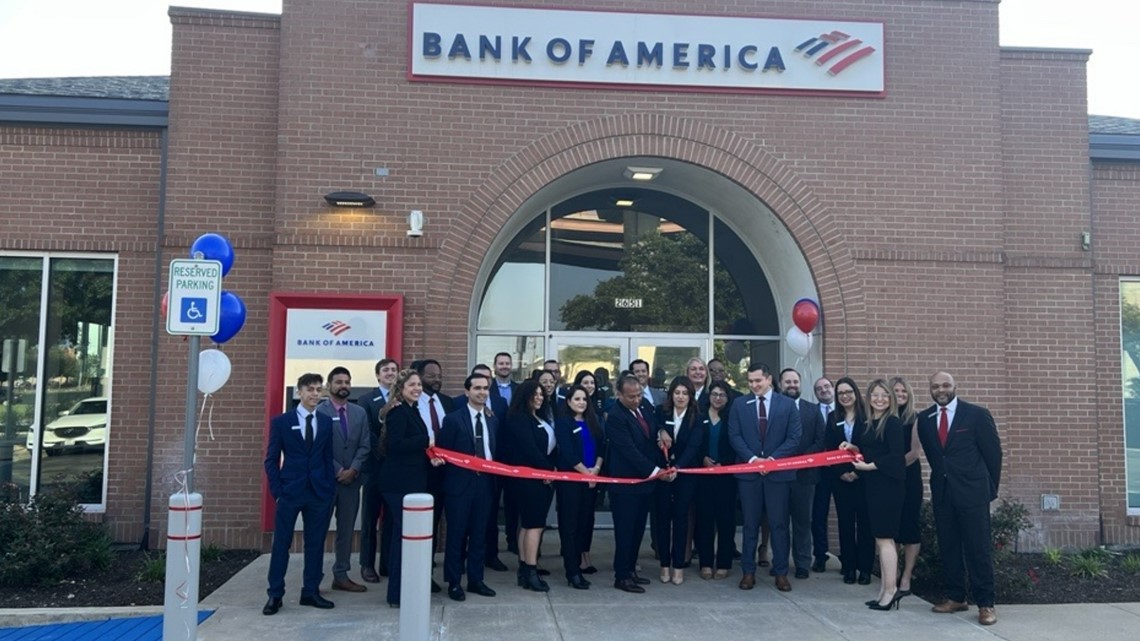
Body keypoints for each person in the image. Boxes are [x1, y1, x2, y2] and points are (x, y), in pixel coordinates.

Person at [916, 371, 1003, 626]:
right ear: (930, 390)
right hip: (943, 494)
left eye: (945, 385)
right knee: (949, 546)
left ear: (955, 387)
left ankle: (986, 604)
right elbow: (935, 457)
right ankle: (956, 597)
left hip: (973, 494)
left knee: (978, 549)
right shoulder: (925, 418)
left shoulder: (976, 415)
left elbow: (993, 455)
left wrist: (988, 489)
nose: (940, 390)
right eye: (935, 386)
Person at [263, 373, 336, 615]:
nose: (315, 394)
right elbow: (271, 460)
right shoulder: (282, 422)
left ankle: (310, 591)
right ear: (299, 392)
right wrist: (278, 491)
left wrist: (328, 489)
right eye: (310, 389)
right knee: (281, 544)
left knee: (315, 544)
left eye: (318, 390)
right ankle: (275, 594)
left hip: (318, 492)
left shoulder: (325, 422)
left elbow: (327, 458)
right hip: (290, 491)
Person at [728, 362, 802, 593]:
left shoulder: (788, 405)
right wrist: (752, 460)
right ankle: (748, 572)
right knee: (749, 525)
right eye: (750, 382)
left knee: (779, 525)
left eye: (758, 381)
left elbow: (794, 437)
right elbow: (734, 435)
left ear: (769, 380)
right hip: (749, 475)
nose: (754, 385)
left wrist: (771, 460)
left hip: (778, 475)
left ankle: (781, 573)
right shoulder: (740, 404)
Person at [842, 379, 907, 611]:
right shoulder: (871, 422)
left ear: (890, 399)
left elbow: (896, 456)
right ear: (868, 399)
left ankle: (891, 590)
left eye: (884, 395)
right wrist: (853, 449)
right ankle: (884, 590)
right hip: (873, 486)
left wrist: (870, 466)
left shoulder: (892, 423)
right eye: (875, 395)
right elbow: (871, 450)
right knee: (880, 540)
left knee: (885, 539)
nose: (879, 399)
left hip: (888, 486)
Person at [606, 374, 673, 593]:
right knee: (625, 531)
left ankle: (631, 570)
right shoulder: (616, 416)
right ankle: (622, 575)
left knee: (637, 531)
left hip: (645, 484)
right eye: (631, 397)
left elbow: (654, 427)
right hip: (626, 484)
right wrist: (656, 472)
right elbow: (629, 452)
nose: (636, 400)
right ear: (619, 395)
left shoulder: (644, 406)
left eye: (639, 395)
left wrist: (662, 430)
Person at [436, 373, 499, 601]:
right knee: (456, 536)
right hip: (459, 487)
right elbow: (444, 454)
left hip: (485, 485)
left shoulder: (492, 419)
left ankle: (476, 580)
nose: (482, 392)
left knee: (480, 535)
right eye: (477, 388)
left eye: (485, 388)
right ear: (467, 392)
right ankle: (454, 582)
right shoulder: (453, 419)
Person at [377, 369, 431, 608]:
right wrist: (425, 442)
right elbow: (396, 445)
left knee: (406, 538)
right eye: (412, 385)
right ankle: (396, 594)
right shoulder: (398, 412)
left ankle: (405, 590)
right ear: (401, 388)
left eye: (419, 384)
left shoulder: (413, 409)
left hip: (412, 481)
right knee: (402, 537)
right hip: (398, 484)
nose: (417, 388)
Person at [315, 366, 371, 593]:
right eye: (339, 382)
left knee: (346, 531)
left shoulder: (359, 413)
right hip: (326, 482)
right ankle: (313, 577)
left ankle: (341, 574)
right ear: (329, 386)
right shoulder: (319, 412)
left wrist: (354, 469)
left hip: (351, 482)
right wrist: (338, 470)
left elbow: (365, 444)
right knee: (318, 530)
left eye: (347, 382)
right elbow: (318, 447)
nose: (344, 386)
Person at [504, 379, 557, 591]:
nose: (539, 398)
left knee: (530, 524)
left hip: (543, 478)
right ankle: (530, 570)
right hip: (529, 479)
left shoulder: (540, 418)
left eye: (541, 394)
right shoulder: (518, 418)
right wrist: (546, 470)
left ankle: (526, 568)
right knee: (533, 524)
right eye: (534, 394)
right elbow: (529, 449)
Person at [553, 384, 605, 589]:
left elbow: (602, 446)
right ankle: (572, 571)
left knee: (584, 524)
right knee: (570, 527)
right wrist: (586, 473)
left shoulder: (593, 422)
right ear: (568, 401)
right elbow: (568, 453)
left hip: (592, 480)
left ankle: (579, 566)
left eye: (584, 399)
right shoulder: (563, 423)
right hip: (571, 483)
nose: (581, 402)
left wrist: (596, 470)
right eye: (577, 399)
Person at [654, 375, 704, 585]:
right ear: (671, 394)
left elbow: (694, 446)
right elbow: (653, 430)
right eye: (677, 393)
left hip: (685, 474)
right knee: (662, 519)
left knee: (681, 519)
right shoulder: (661, 412)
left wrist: (679, 466)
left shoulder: (697, 417)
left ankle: (678, 565)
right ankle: (664, 564)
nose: (681, 397)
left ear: (690, 396)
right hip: (663, 475)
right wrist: (660, 431)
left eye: (685, 393)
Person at [779, 368, 826, 580]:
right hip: (778, 475)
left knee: (802, 521)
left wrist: (803, 460)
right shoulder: (774, 409)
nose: (792, 385)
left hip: (806, 475)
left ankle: (802, 564)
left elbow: (820, 439)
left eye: (795, 382)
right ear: (780, 385)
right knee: (778, 522)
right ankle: (779, 562)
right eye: (788, 382)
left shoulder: (812, 410)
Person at [826, 377, 873, 585]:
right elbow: (829, 449)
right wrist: (841, 472)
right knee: (845, 523)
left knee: (865, 524)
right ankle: (849, 568)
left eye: (848, 392)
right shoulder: (832, 417)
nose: (845, 396)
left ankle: (865, 569)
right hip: (841, 479)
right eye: (841, 393)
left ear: (856, 393)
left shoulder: (869, 417)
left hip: (864, 478)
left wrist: (858, 472)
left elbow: (872, 448)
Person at [358, 358, 398, 582]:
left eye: (394, 370)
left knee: (391, 519)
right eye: (386, 370)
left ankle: (387, 563)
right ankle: (367, 564)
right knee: (370, 519)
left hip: (395, 471)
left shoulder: (404, 398)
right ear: (378, 375)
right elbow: (367, 432)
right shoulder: (366, 400)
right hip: (374, 468)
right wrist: (383, 451)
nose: (390, 373)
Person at [696, 379, 736, 579]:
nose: (718, 398)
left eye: (722, 395)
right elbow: (693, 444)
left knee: (726, 521)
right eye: (714, 394)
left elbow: (737, 445)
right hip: (704, 477)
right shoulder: (699, 417)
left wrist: (725, 464)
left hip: (726, 477)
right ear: (708, 396)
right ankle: (705, 562)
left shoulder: (732, 419)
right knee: (704, 520)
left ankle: (723, 563)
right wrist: (702, 459)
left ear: (727, 398)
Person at [417, 359, 454, 564]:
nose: (436, 380)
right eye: (431, 376)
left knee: (438, 520)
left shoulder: (447, 402)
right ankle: (421, 565)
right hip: (420, 473)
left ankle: (429, 563)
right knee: (422, 522)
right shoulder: (411, 402)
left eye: (439, 375)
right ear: (420, 376)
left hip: (444, 472)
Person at [891, 376, 923, 598]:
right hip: (886, 480)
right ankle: (892, 572)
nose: (900, 394)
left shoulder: (915, 418)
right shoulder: (882, 417)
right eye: (895, 390)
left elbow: (914, 452)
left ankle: (906, 576)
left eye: (903, 391)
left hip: (908, 477)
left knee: (909, 528)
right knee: (890, 528)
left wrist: (889, 467)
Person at [811, 376, 836, 573]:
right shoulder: (812, 413)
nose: (824, 390)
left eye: (827, 386)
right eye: (819, 389)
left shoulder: (846, 411)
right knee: (818, 514)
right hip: (820, 472)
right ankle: (820, 555)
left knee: (847, 514)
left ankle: (851, 558)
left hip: (843, 471)